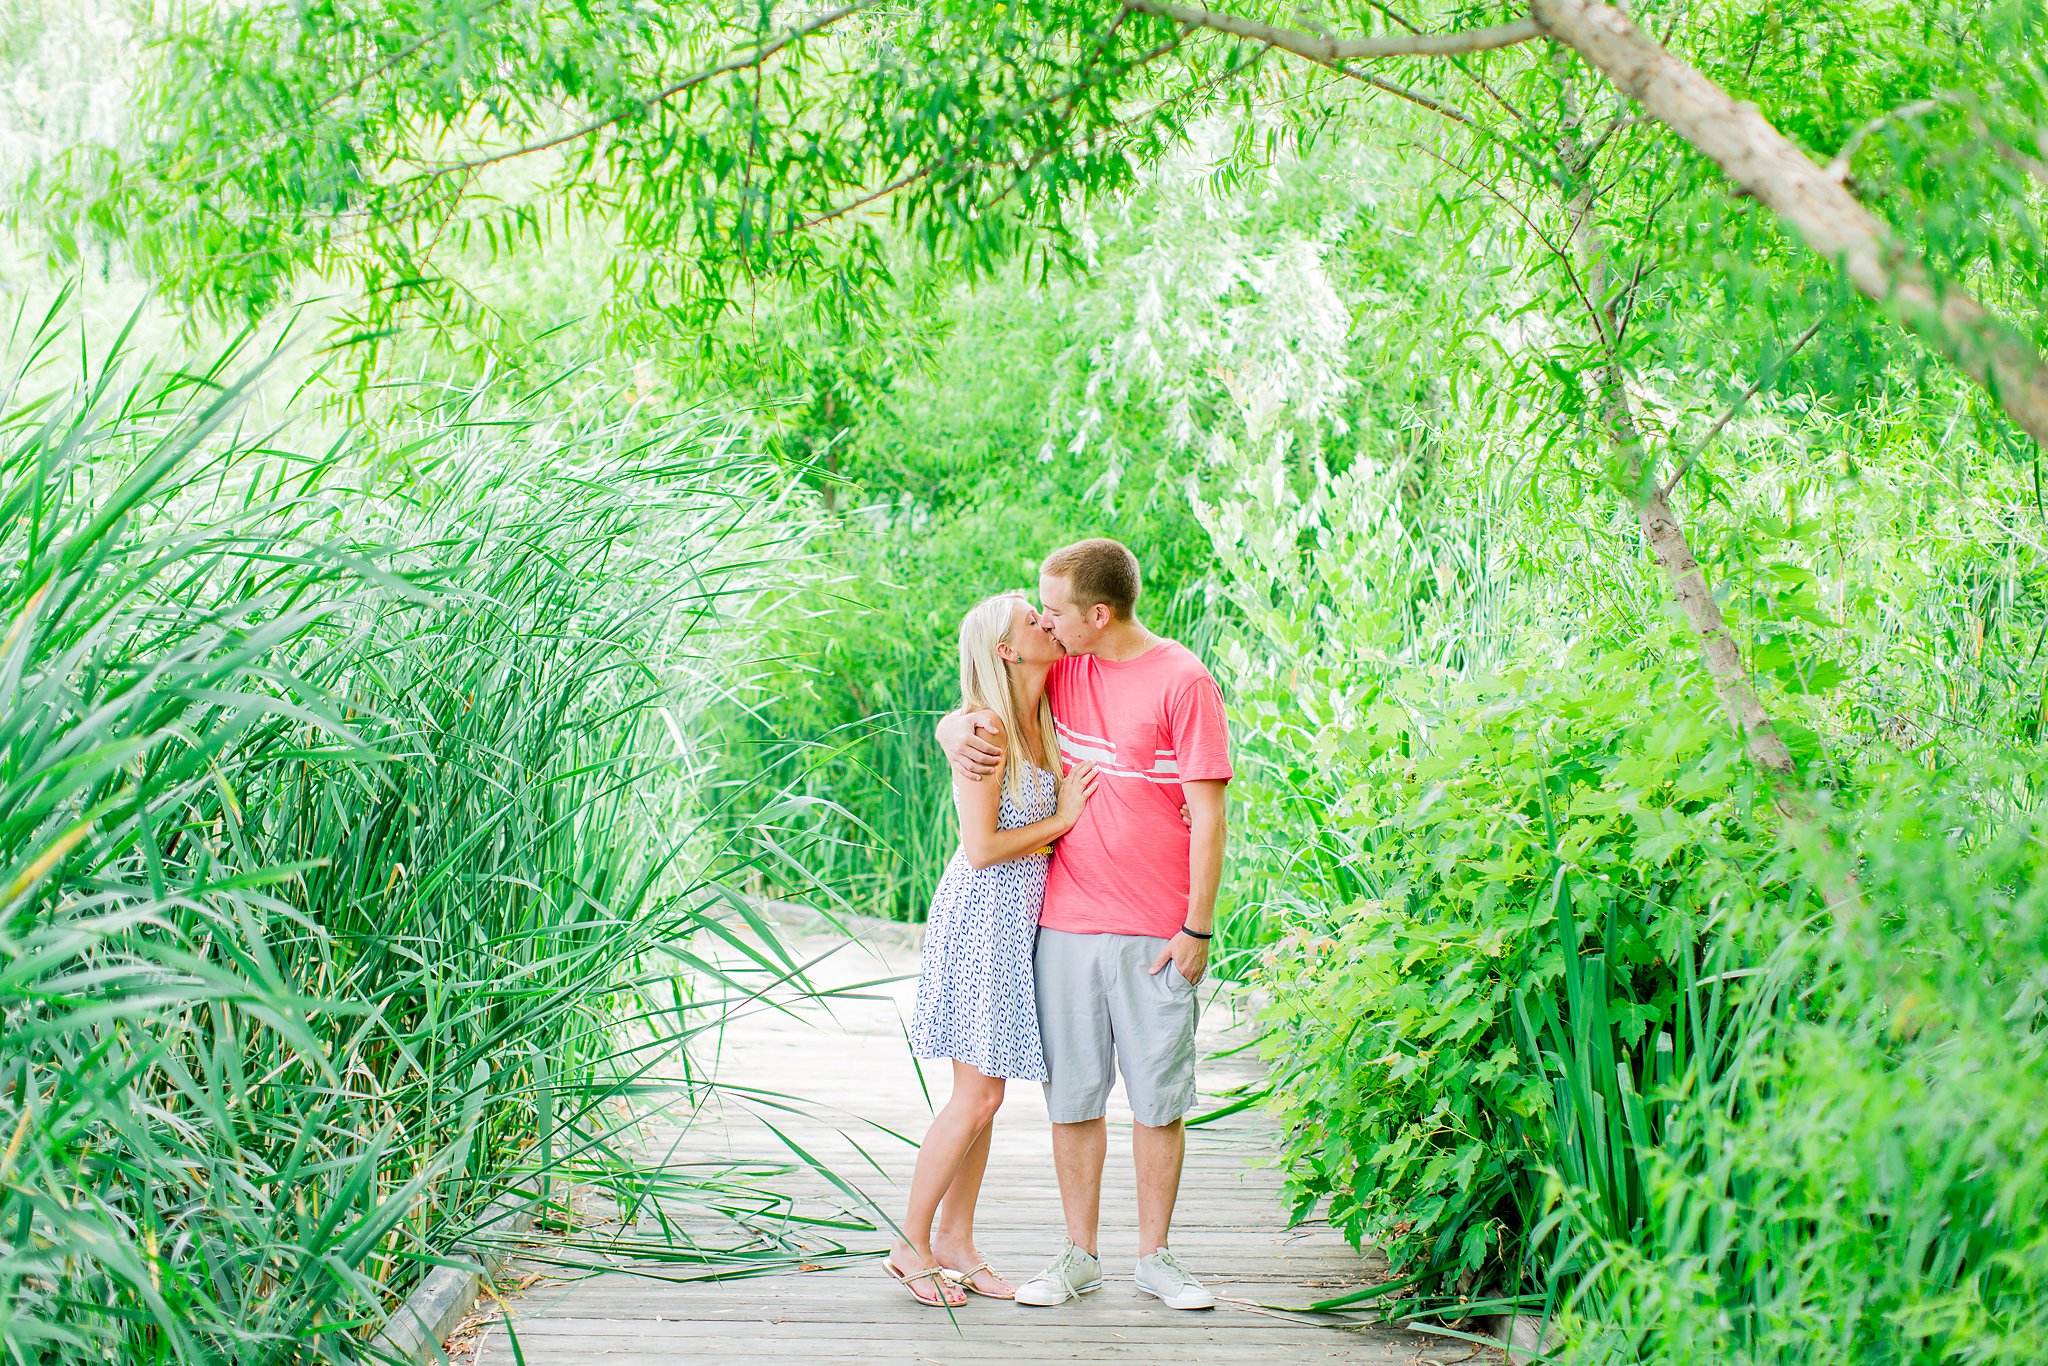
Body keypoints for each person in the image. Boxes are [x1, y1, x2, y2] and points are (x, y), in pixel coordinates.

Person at [937, 538, 1231, 1312]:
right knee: (1073, 1098)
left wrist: (1197, 928)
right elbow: (991, 686)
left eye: (1056, 610)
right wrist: (949, 730)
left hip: (1156, 930)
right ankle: (1078, 1257)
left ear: (1097, 615)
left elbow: (1209, 816)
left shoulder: (1184, 681)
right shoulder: (1063, 663)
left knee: (1158, 1102)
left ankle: (1157, 1259)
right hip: (1064, 924)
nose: (1045, 620)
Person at [884, 591, 1099, 1308]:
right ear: (1007, 650)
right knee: (975, 1096)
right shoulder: (986, 729)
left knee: (988, 1097)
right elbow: (980, 850)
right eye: (1032, 621)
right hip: (981, 916)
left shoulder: (1046, 705)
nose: (1047, 622)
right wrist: (1063, 818)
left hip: (1018, 924)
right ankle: (911, 1244)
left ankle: (956, 1241)